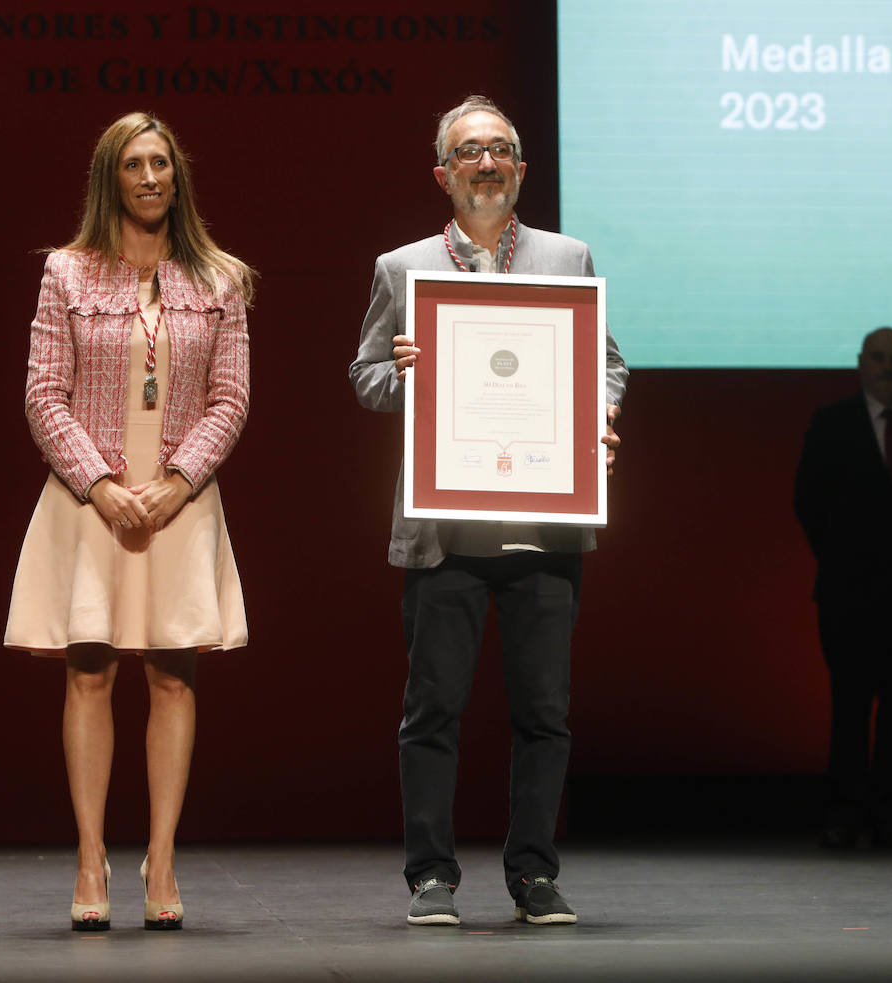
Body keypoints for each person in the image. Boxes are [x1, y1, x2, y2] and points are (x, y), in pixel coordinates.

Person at [349, 95, 628, 927]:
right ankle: (431, 876)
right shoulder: (403, 268)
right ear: (443, 172)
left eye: (500, 149)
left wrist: (598, 420)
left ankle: (534, 873)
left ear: (521, 168)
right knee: (432, 709)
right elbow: (363, 379)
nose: (486, 163)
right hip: (444, 530)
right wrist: (398, 375)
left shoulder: (566, 256)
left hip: (545, 523)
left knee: (545, 713)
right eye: (469, 151)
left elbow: (607, 363)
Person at [5, 112, 253, 932]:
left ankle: (163, 856)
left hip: (179, 500)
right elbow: (45, 394)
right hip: (91, 502)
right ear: (110, 178)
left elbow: (231, 400)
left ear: (178, 177)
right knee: (89, 672)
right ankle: (88, 857)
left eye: (163, 164)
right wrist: (101, 483)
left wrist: (178, 482)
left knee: (174, 674)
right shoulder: (68, 276)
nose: (151, 178)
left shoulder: (219, 279)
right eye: (135, 165)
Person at [793, 327, 892, 849]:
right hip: (847, 589)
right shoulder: (831, 422)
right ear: (862, 362)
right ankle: (844, 813)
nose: (887, 367)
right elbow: (808, 502)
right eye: (879, 358)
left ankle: (891, 814)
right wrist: (844, 559)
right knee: (851, 705)